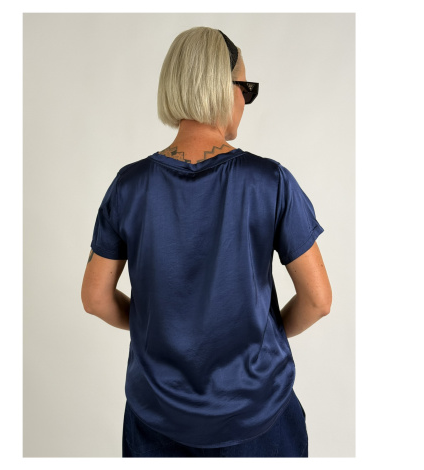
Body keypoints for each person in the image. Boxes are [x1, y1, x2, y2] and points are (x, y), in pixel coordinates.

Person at [81, 26, 332, 458]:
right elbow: (318, 300)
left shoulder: (128, 186)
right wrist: (260, 337)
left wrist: (157, 327)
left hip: (155, 418)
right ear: (220, 86)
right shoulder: (269, 181)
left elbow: (95, 298)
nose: (245, 102)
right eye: (246, 89)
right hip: (259, 418)